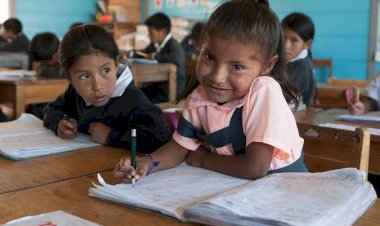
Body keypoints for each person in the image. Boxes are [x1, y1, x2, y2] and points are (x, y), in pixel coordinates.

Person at [114, 0, 307, 183]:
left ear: (267, 65)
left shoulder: (264, 90)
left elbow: (255, 168)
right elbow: (180, 147)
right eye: (209, 57)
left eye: (237, 66)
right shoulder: (200, 97)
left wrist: (202, 159)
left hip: (286, 190)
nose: (217, 77)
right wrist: (146, 164)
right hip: (243, 190)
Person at [43, 24, 171, 152]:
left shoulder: (133, 100)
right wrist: (59, 124)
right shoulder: (74, 93)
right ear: (70, 78)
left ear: (116, 65)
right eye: (84, 76)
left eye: (105, 70)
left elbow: (160, 138)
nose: (98, 86)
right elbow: (51, 109)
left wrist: (111, 136)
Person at [129, 12, 186, 103]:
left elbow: (178, 59)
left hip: (173, 89)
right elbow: (144, 53)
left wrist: (155, 56)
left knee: (140, 99)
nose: (149, 36)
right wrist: (132, 53)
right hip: (159, 84)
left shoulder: (173, 45)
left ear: (162, 32)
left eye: (151, 33)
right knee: (136, 94)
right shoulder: (155, 44)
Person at [282, 12, 316, 107]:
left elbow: (285, 102)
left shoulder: (302, 67)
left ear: (308, 44)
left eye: (294, 40)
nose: (286, 45)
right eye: (283, 38)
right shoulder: (284, 60)